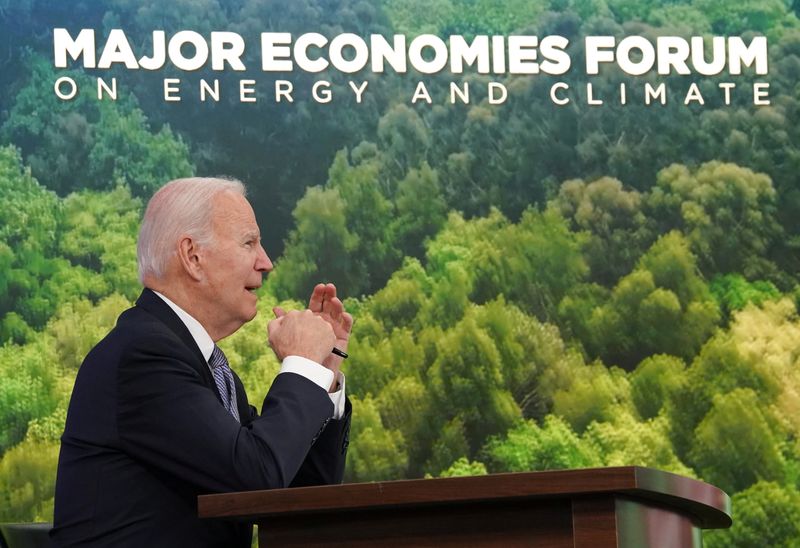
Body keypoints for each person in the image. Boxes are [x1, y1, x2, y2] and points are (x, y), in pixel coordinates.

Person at [50, 177, 352, 547]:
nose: (266, 262)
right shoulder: (143, 357)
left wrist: (325, 373)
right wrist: (303, 363)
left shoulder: (206, 370)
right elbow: (256, 479)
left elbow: (301, 499)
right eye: (249, 243)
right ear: (192, 256)